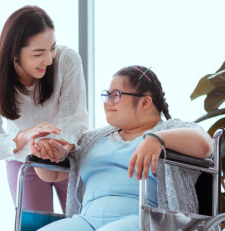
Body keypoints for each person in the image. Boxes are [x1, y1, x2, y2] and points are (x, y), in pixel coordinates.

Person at [30, 65, 213, 231]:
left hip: (142, 221)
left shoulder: (168, 130)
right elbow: (52, 175)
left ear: (145, 103)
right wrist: (45, 154)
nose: (107, 102)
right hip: (86, 222)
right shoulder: (92, 139)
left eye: (116, 95)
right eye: (106, 95)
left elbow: (206, 145)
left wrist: (157, 139)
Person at [0, 5, 88, 213]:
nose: (48, 59)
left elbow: (75, 121)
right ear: (15, 54)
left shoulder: (67, 61)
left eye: (52, 48)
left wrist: (57, 147)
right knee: (33, 226)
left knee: (79, 221)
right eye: (38, 53)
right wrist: (24, 138)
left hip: (66, 153)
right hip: (23, 158)